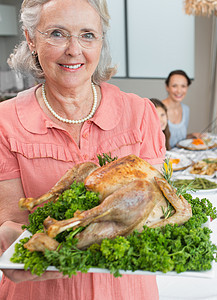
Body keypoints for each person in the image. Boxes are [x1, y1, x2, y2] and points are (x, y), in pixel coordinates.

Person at [0, 0, 165, 299]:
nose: (74, 50)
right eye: (58, 33)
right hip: (41, 289)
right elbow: (10, 218)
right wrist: (9, 239)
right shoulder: (5, 122)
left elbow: (155, 206)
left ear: (101, 41)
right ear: (31, 39)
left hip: (125, 290)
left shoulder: (139, 113)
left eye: (87, 34)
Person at [162, 69, 195, 148]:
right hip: (163, 159)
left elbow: (177, 140)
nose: (179, 91)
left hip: (179, 157)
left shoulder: (185, 110)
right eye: (174, 86)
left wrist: (191, 136)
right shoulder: (158, 110)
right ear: (167, 87)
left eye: (183, 86)